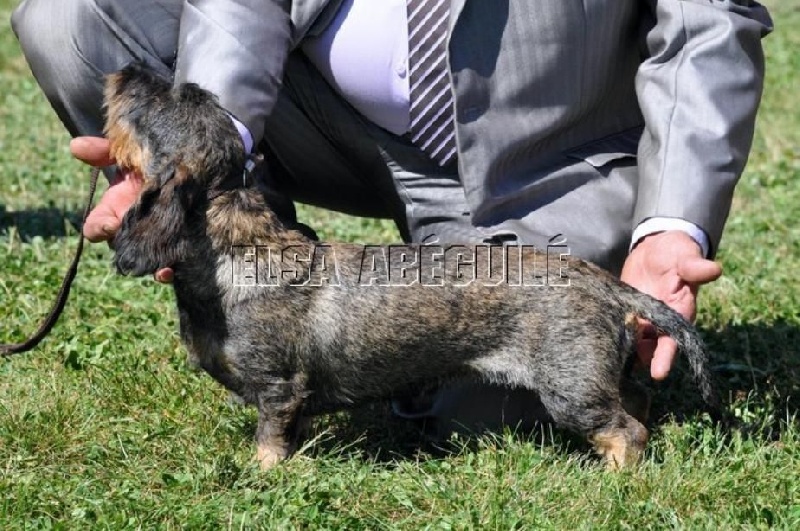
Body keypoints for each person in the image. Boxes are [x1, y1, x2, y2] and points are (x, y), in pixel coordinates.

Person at [11, 0, 772, 432]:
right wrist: (204, 159)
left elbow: (707, 20)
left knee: (510, 400)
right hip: (326, 122)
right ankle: (256, 281)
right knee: (71, 17)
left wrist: (671, 222)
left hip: (539, 164)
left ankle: (351, 341)